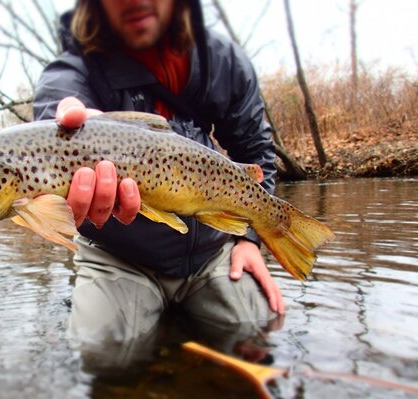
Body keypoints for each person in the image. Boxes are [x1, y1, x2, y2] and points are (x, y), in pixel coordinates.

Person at [33, 0, 284, 350]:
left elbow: (255, 151)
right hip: (118, 256)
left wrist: (250, 240)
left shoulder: (220, 59)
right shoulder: (72, 71)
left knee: (256, 335)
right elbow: (55, 110)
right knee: (102, 355)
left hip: (213, 250)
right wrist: (63, 126)